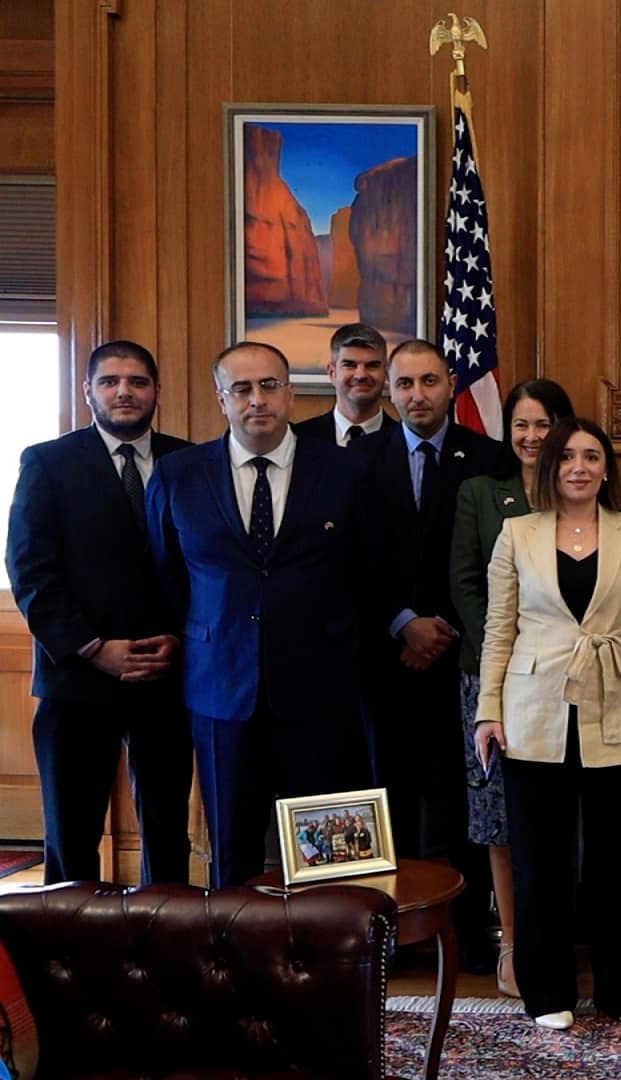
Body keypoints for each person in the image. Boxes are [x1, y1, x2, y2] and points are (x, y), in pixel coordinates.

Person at [146, 341, 380, 887]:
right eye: (242, 389)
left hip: (322, 689)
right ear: (221, 399)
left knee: (330, 852)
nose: (258, 400)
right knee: (233, 852)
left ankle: (327, 943)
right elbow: (166, 574)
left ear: (290, 392)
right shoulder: (179, 474)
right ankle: (234, 943)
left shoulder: (346, 471)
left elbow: (369, 571)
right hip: (221, 688)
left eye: (270, 385)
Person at [474, 417, 621, 1032]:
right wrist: (488, 710)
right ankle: (546, 991)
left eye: (591, 456)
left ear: (606, 468)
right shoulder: (517, 533)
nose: (579, 467)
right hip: (535, 712)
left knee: (615, 861)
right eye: (567, 457)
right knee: (540, 862)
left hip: (619, 708)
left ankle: (620, 988)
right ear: (549, 467)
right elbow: (498, 629)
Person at [7, 340, 193, 885]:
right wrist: (92, 647)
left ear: (157, 391)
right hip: (78, 676)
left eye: (137, 382)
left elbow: (209, 565)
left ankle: (165, 925)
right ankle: (70, 933)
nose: (124, 392)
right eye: (110, 381)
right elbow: (30, 569)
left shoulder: (190, 462)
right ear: (88, 390)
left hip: (167, 674)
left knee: (167, 826)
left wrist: (182, 638)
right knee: (72, 829)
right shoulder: (48, 462)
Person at [357, 340, 506, 976]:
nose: (417, 395)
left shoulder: (490, 458)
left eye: (428, 381)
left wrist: (443, 628)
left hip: (463, 657)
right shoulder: (358, 461)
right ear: (388, 391)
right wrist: (404, 624)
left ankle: (468, 933)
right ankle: (385, 936)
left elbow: (496, 561)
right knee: (384, 799)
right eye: (404, 384)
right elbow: (348, 562)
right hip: (384, 659)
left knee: (467, 798)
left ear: (450, 385)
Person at [449, 376, 576, 998]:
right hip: (494, 675)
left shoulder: (580, 488)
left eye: (543, 424)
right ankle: (513, 942)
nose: (531, 436)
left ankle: (557, 940)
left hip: (570, 677)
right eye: (521, 424)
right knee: (499, 813)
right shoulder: (480, 492)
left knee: (561, 812)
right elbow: (465, 583)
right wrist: (512, 653)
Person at [291, 323, 394, 446]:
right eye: (350, 365)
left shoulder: (405, 442)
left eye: (372, 366)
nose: (361, 375)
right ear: (332, 373)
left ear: (386, 373)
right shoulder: (298, 439)